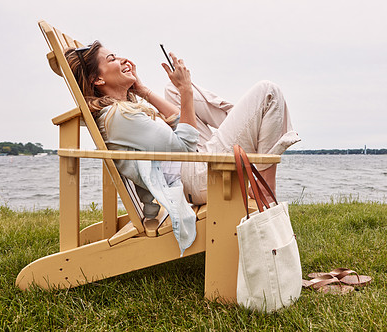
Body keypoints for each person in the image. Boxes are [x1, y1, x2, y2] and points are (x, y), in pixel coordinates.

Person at [64, 41, 300, 253]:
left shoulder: (123, 111)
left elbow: (179, 124)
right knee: (268, 91)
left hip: (189, 167)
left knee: (170, 90)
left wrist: (144, 91)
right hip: (195, 177)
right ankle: (266, 187)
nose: (123, 60)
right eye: (112, 59)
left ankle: (254, 120)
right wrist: (185, 90)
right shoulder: (121, 116)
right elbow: (185, 149)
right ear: (98, 80)